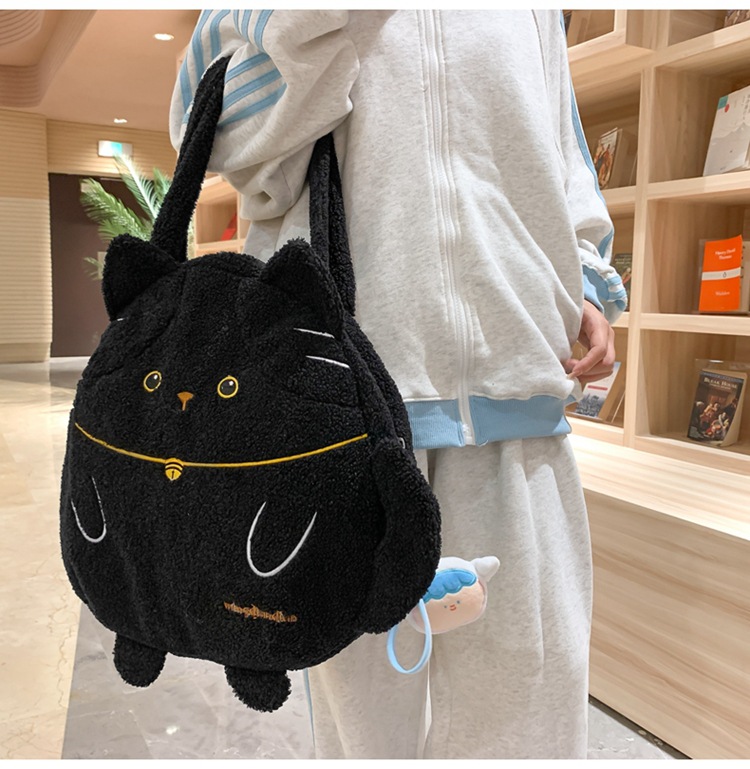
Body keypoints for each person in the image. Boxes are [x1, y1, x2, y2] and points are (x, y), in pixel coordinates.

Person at [169, 10, 626, 760]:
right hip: (345, 420)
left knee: (529, 708)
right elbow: (216, 132)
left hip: (517, 404)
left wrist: (581, 278)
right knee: (364, 728)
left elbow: (559, 147)